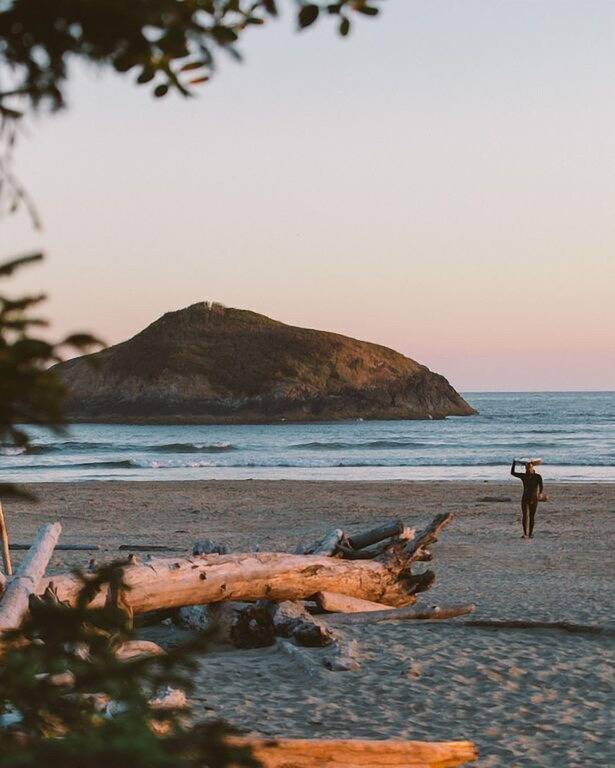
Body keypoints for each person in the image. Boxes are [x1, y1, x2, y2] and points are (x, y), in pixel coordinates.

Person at [511, 459, 543, 539]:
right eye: (527, 467)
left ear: (533, 467)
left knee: (532, 516)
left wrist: (540, 494)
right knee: (525, 515)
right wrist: (514, 463)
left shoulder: (538, 476)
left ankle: (531, 534)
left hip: (534, 498)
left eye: (529, 467)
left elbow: (541, 486)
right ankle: (525, 534)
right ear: (525, 468)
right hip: (525, 498)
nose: (528, 469)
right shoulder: (524, 476)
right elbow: (512, 473)